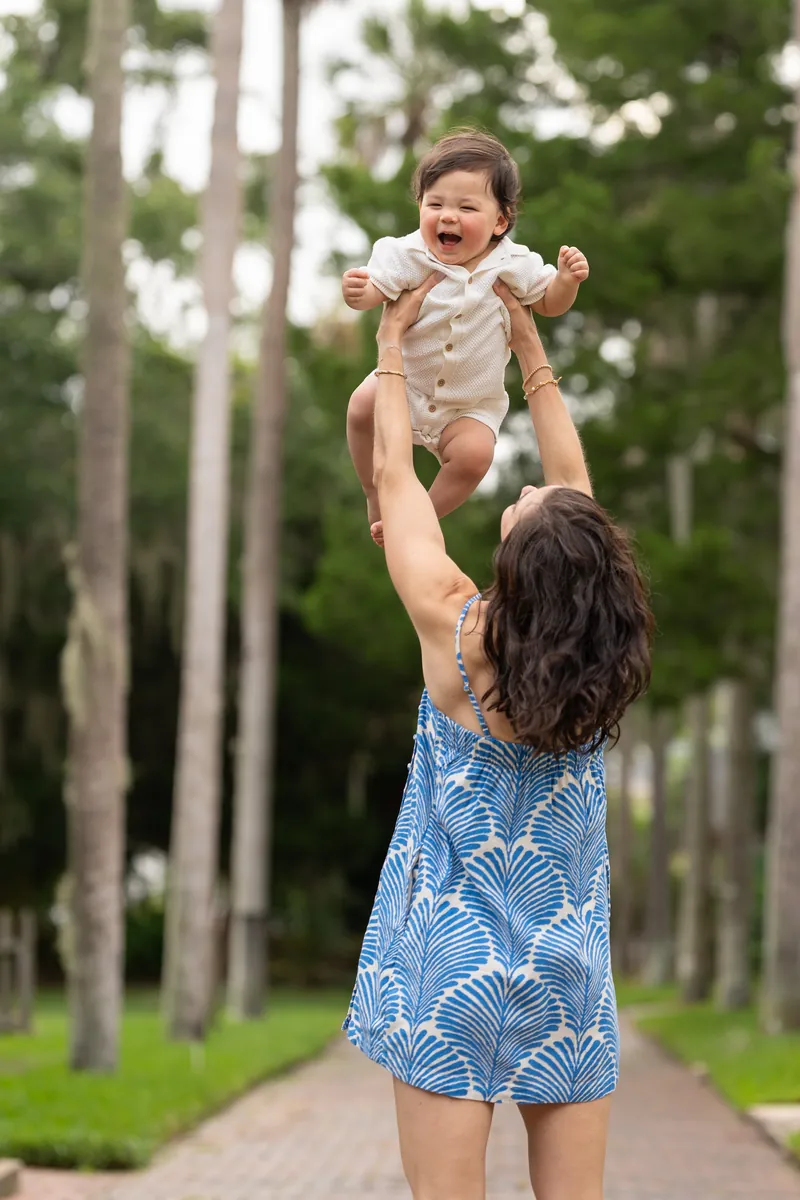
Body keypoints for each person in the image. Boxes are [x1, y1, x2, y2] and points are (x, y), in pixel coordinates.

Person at [342, 274, 654, 1200]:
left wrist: (393, 347)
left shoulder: (458, 634)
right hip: (566, 968)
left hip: (448, 964)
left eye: (516, 510)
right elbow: (574, 496)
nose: (520, 490)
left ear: (516, 567)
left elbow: (397, 477)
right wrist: (528, 348)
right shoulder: (599, 668)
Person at [341, 128, 589, 544]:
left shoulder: (514, 263)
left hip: (469, 407)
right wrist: (359, 292)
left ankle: (421, 516)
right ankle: (373, 491)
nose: (447, 216)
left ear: (500, 221)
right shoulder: (409, 254)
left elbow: (548, 303)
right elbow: (378, 290)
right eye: (434, 203)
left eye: (465, 207)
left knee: (476, 457)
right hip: (407, 386)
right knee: (360, 407)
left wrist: (566, 281)